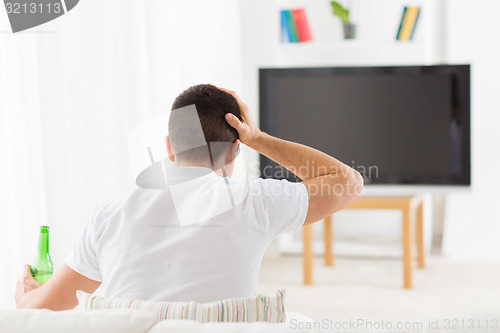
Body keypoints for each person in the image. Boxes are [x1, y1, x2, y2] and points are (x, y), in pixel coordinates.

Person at [15, 84, 363, 310]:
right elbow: (348, 182)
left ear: (168, 147)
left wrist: (25, 296)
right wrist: (258, 138)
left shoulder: (111, 213)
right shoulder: (256, 201)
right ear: (234, 152)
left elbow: (45, 307)